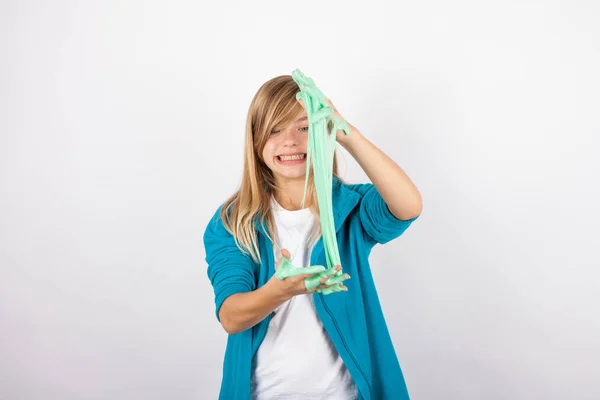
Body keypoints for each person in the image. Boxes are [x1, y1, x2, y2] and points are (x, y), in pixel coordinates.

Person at [203, 74, 423, 400]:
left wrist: (347, 133)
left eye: (304, 128)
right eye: (274, 129)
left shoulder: (350, 209)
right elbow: (232, 317)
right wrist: (279, 291)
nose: (290, 140)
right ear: (255, 141)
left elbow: (408, 205)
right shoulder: (234, 222)